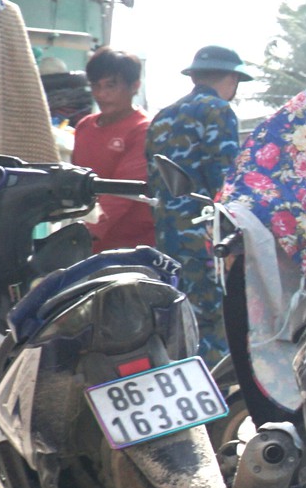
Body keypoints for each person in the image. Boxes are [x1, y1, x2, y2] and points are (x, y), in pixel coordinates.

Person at [146, 46, 246, 366]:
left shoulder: (162, 116)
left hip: (167, 237)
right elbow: (226, 183)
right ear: (231, 78)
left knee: (181, 320)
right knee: (215, 324)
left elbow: (152, 181)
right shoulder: (218, 111)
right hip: (206, 237)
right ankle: (214, 403)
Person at [69, 49, 154, 252]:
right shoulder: (84, 126)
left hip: (133, 247)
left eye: (111, 85)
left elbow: (122, 192)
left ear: (135, 86)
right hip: (87, 241)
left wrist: (84, 233)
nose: (101, 94)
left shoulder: (144, 129)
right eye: (95, 86)